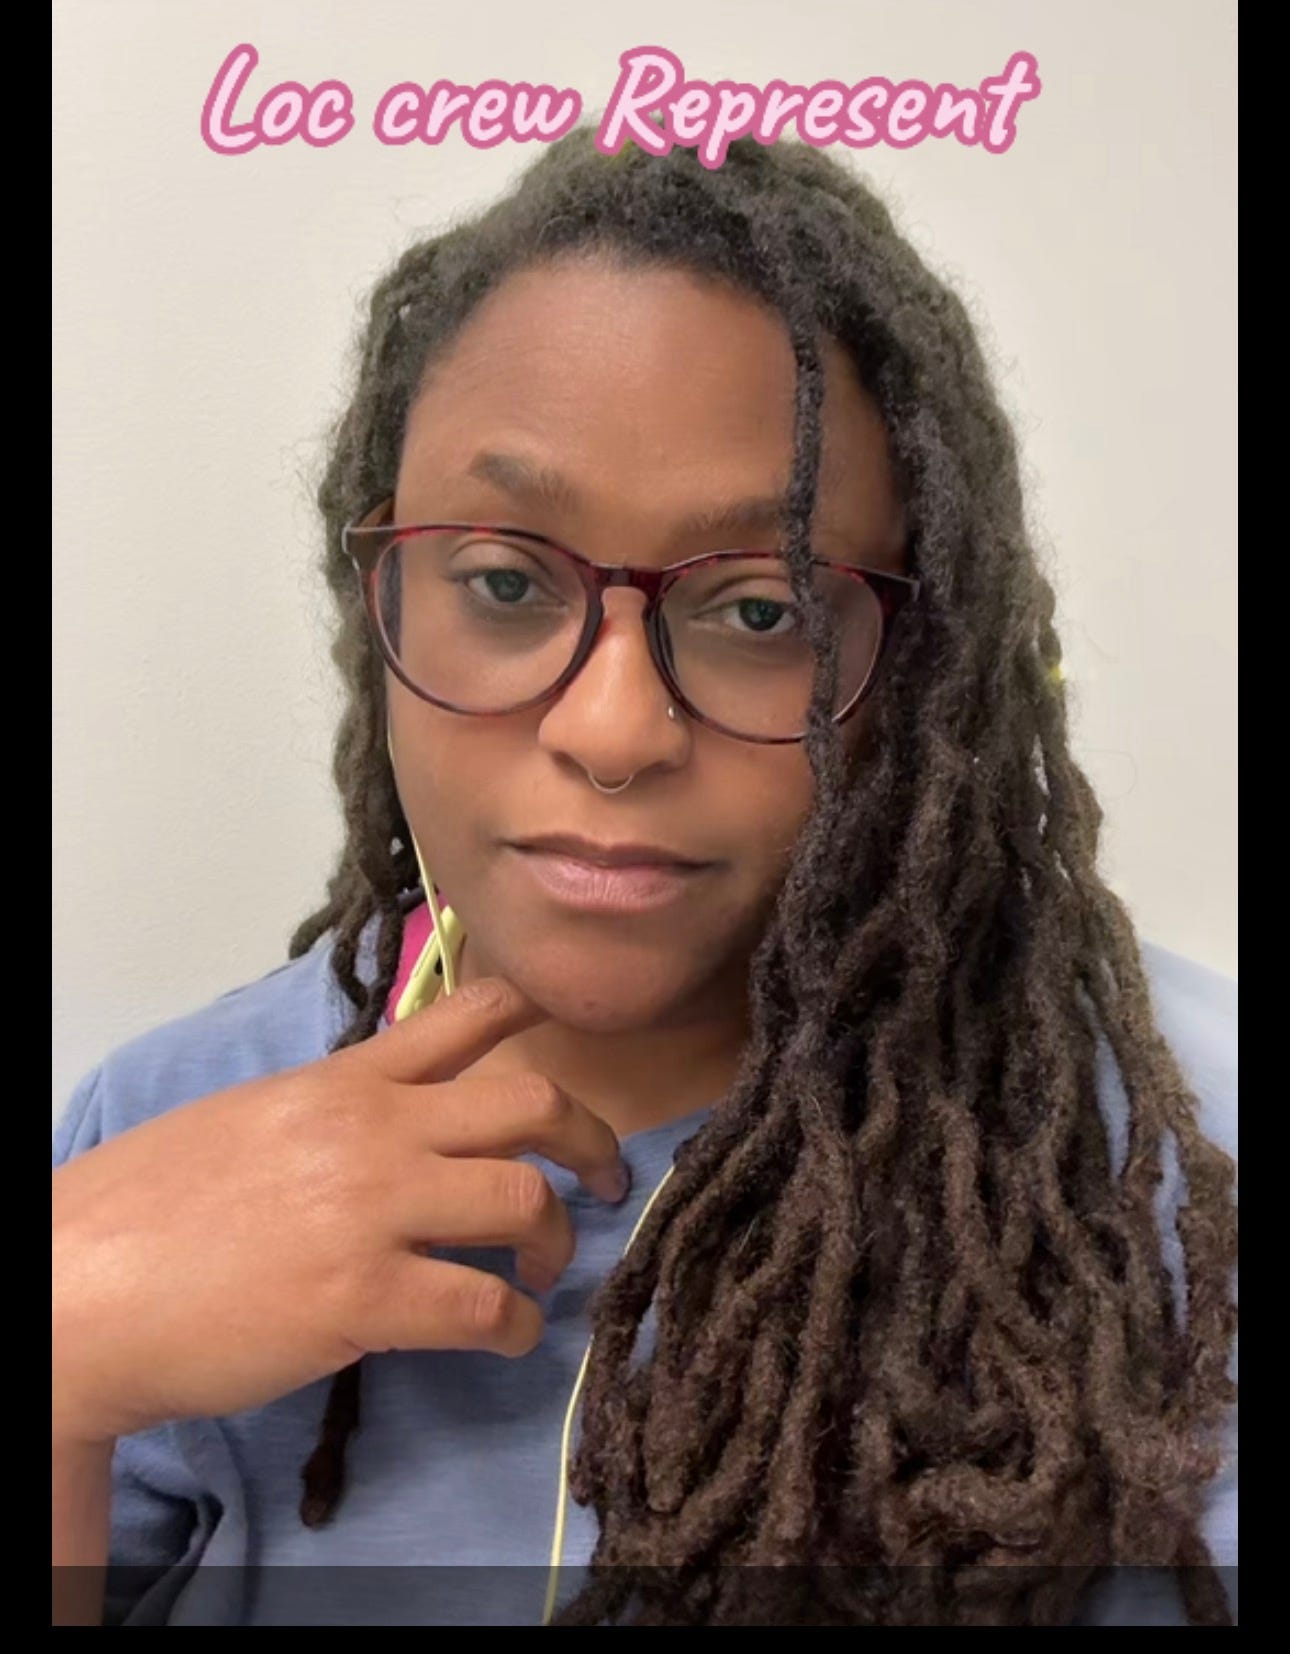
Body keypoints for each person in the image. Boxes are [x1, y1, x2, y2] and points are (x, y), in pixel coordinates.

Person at [51, 130, 1237, 1627]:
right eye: (502, 582)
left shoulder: (1182, 1188)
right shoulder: (157, 1132)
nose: (611, 730)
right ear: (379, 598)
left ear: (920, 659)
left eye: (760, 606)